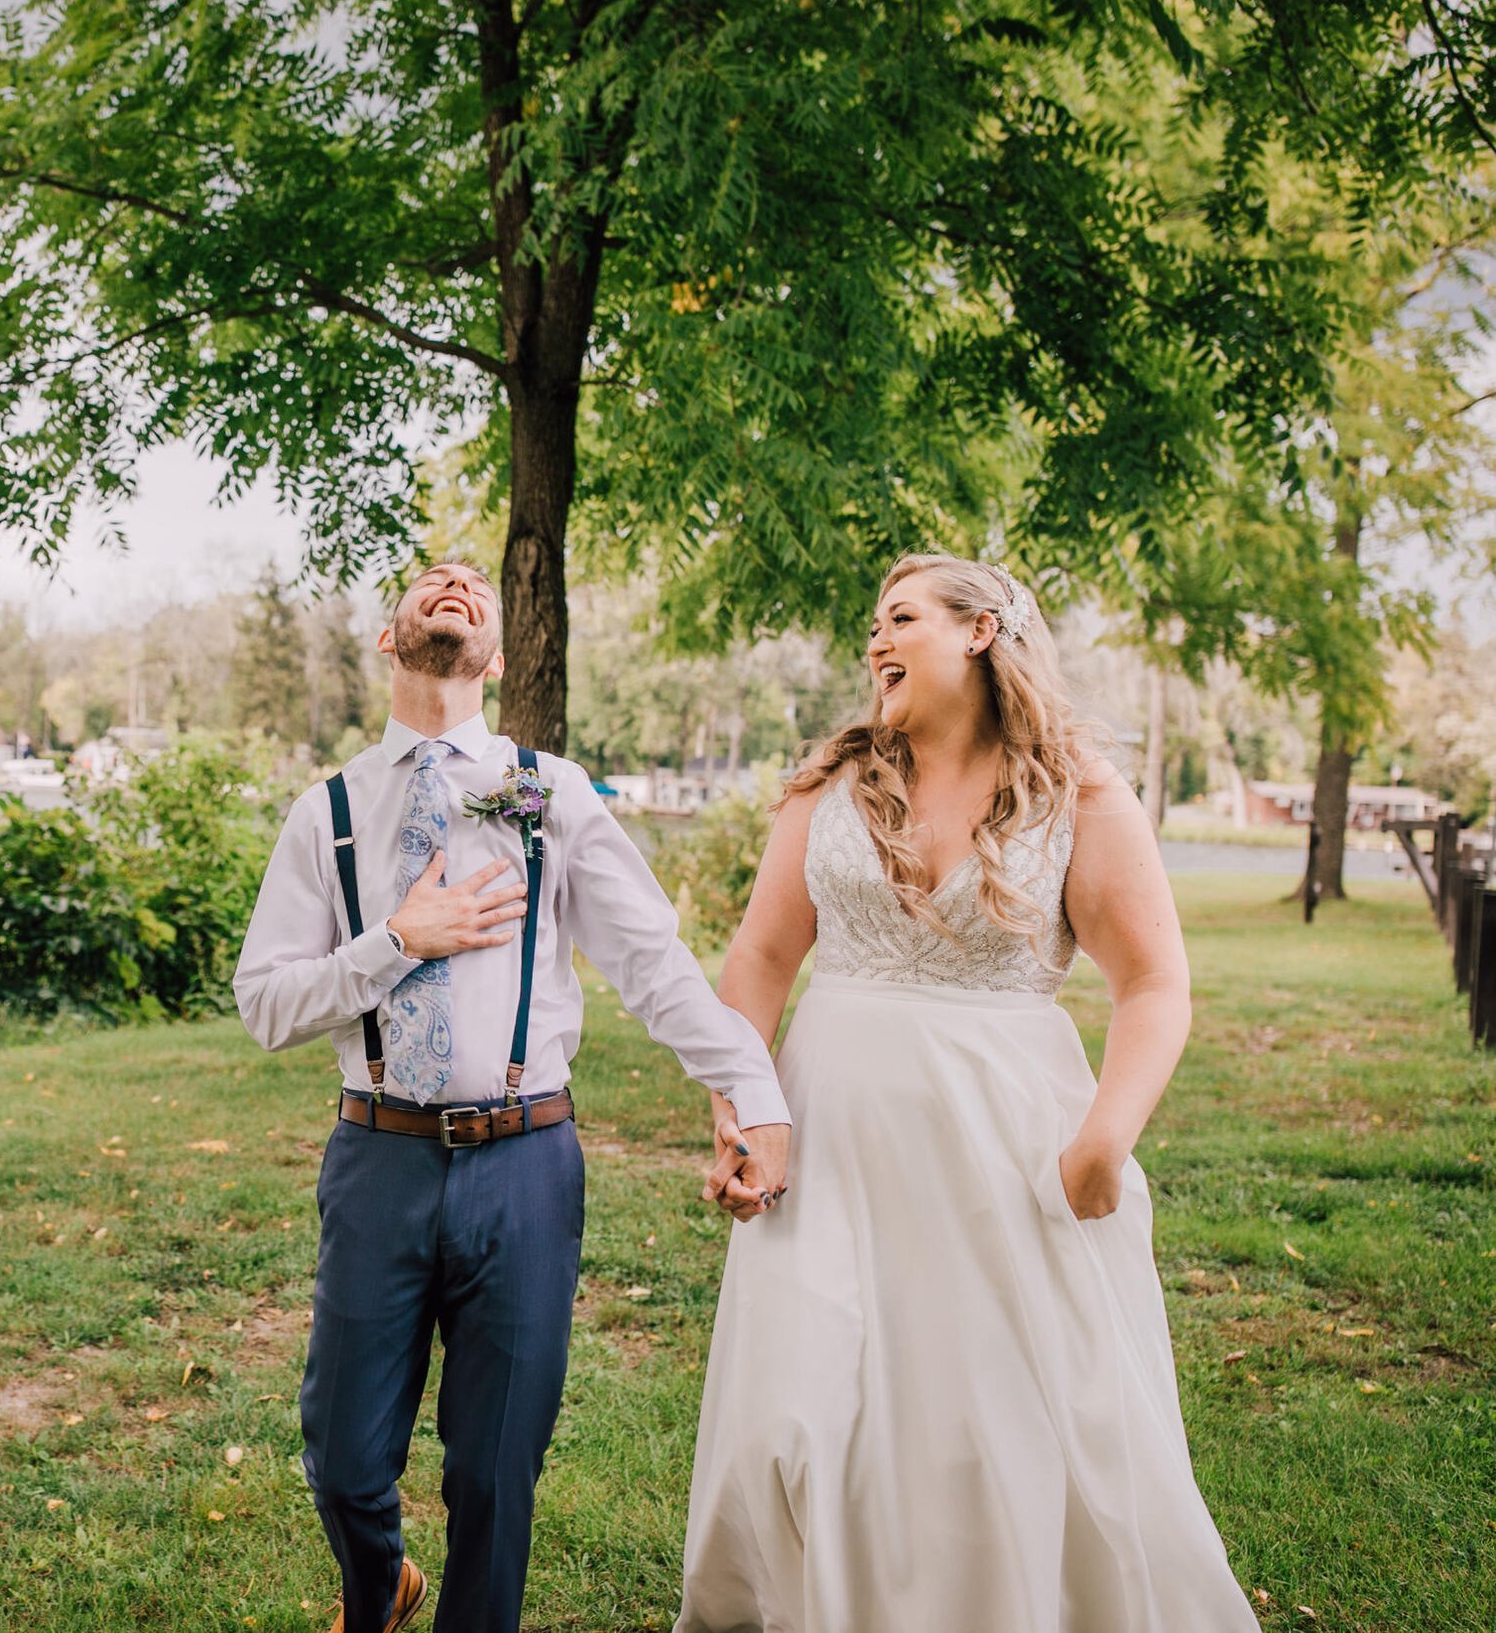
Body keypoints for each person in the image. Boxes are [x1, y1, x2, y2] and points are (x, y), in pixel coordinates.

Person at [675, 554, 1258, 1632]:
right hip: (831, 1139)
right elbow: (758, 959)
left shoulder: (1076, 794)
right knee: (802, 1412)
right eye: (871, 625)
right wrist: (740, 1109)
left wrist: (1104, 1139)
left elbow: (1154, 984)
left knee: (996, 1420)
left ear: (981, 630)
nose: (875, 642)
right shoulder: (829, 789)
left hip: (1003, 1150)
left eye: (899, 618)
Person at [234, 561, 792, 1633]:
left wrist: (744, 1082)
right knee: (344, 1455)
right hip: (379, 1154)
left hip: (526, 1162)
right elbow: (263, 1003)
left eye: (473, 584)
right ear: (390, 641)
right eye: (426, 580)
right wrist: (400, 940)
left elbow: (653, 963)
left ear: (493, 654)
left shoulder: (545, 789)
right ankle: (380, 1578)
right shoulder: (331, 811)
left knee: (495, 1470)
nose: (452, 578)